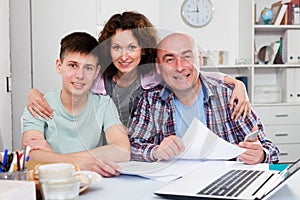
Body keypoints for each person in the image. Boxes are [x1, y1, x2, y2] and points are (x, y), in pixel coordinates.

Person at [26, 11, 251, 128]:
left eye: (132, 47)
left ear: (143, 49)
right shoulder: (97, 79)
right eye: (116, 47)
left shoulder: (153, 74)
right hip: (107, 149)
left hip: (144, 151)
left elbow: (190, 73)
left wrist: (236, 83)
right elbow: (70, 89)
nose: (124, 56)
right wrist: (35, 94)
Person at [129, 33, 280, 165]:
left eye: (187, 57)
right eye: (169, 60)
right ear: (158, 67)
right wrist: (156, 151)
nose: (180, 67)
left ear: (200, 60)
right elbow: (132, 146)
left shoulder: (228, 95)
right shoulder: (151, 100)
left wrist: (261, 155)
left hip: (222, 185)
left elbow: (271, 150)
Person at [22, 32, 130, 177]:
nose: (80, 75)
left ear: (97, 72)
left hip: (93, 185)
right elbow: (31, 157)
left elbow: (122, 150)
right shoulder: (38, 105)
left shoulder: (104, 104)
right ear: (59, 66)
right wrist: (81, 163)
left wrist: (55, 158)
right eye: (73, 65)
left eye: (88, 68)